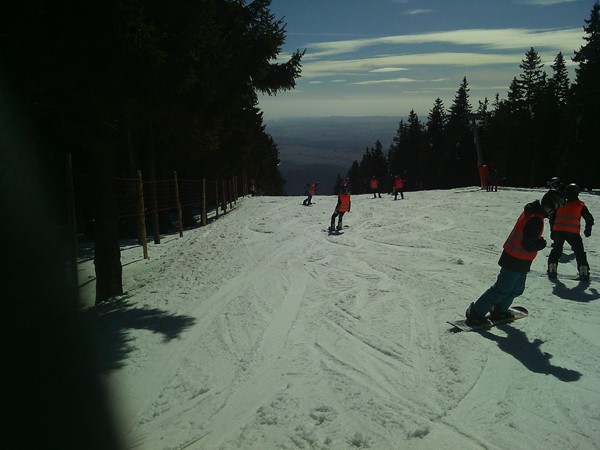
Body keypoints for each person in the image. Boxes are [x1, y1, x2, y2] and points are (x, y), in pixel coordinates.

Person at [465, 189, 566, 326]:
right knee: (501, 289)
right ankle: (475, 313)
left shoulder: (534, 212)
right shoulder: (535, 219)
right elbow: (528, 244)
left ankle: (499, 310)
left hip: (521, 260)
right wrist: (541, 244)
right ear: (554, 205)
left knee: (516, 289)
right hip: (513, 259)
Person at [547, 183, 594, 281]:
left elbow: (552, 217)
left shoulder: (560, 203)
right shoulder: (580, 205)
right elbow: (589, 218)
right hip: (572, 232)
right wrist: (588, 228)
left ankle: (552, 268)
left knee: (556, 250)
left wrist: (552, 230)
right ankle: (583, 271)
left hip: (558, 231)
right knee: (579, 252)